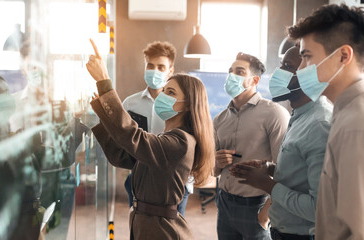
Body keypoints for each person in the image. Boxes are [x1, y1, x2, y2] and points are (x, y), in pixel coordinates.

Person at [85, 39, 215, 239]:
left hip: (161, 229)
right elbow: (123, 157)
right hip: (145, 222)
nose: (162, 96)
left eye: (170, 93)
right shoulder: (168, 136)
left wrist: (104, 80)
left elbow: (132, 136)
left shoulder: (181, 142)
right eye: (164, 91)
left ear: (187, 105)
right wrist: (99, 118)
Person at [229, 45, 332, 240]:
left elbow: (319, 209)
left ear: (310, 74)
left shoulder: (319, 125)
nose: (278, 73)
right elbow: (302, 175)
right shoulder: (301, 115)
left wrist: (267, 185)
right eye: (280, 64)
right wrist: (269, 168)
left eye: (287, 66)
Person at [286, 4, 364, 239]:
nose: (300, 69)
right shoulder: (344, 112)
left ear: (343, 56)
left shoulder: (355, 124)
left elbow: (356, 229)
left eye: (306, 56)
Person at [214, 52, 290, 240]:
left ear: (254, 79)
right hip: (224, 203)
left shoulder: (274, 114)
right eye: (230, 71)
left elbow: (286, 169)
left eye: (239, 72)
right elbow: (213, 171)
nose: (232, 76)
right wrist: (216, 161)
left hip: (256, 206)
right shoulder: (219, 119)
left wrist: (265, 213)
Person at [121, 41, 192, 216]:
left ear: (171, 70)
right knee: (138, 226)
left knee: (171, 230)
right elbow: (123, 139)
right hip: (139, 177)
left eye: (161, 67)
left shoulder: (179, 104)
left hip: (174, 181)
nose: (155, 71)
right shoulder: (131, 103)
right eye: (150, 66)